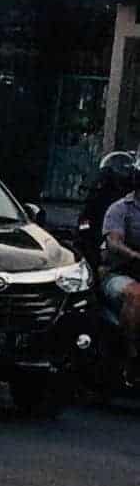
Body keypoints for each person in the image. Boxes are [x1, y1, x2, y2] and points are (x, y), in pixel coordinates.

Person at [101, 155, 140, 385]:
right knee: (136, 295)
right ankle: (132, 358)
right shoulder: (120, 209)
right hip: (120, 273)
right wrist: (134, 255)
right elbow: (114, 242)